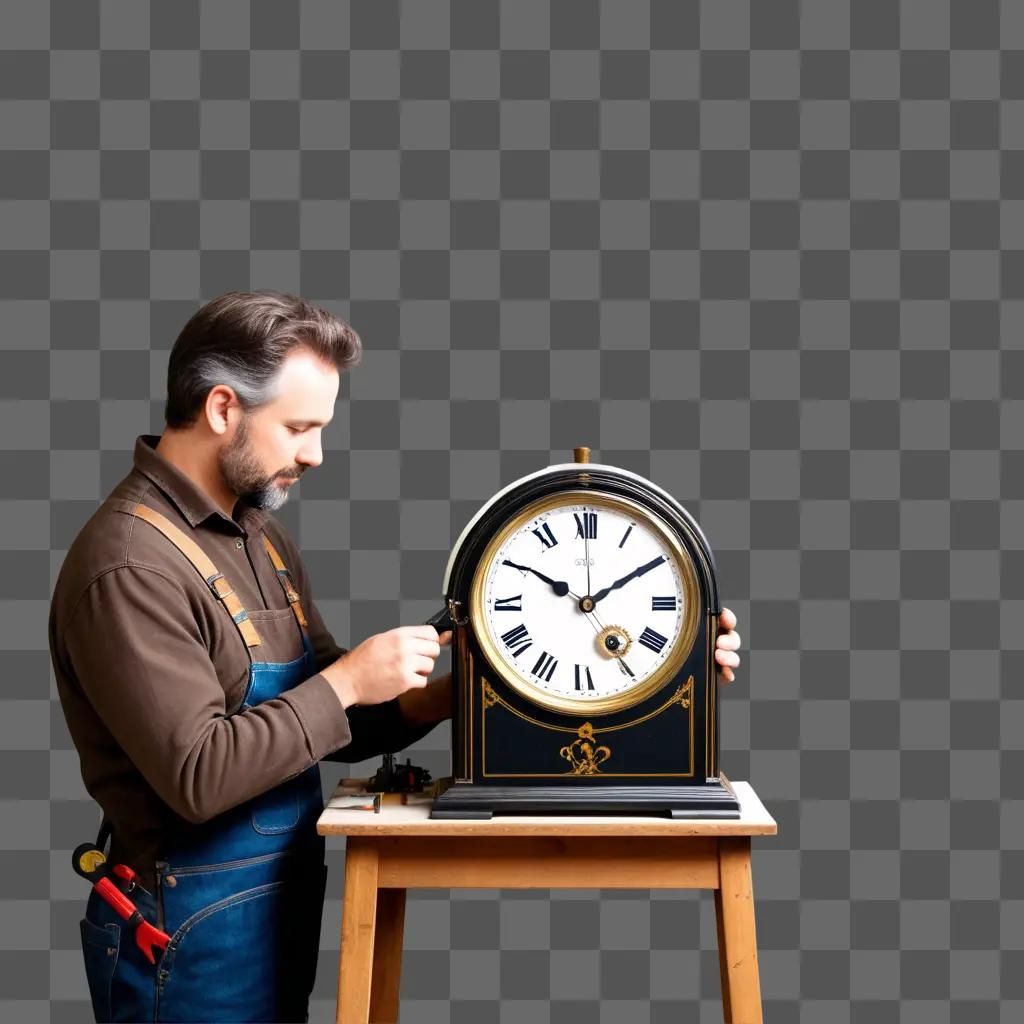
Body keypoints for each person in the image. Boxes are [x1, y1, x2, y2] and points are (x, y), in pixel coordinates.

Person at [49, 289, 743, 1022]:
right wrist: (348, 679)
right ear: (223, 409)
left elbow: (335, 722)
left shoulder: (255, 535)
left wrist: (477, 685)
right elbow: (199, 774)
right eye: (298, 428)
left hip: (271, 911)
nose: (314, 454)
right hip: (186, 933)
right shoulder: (131, 564)